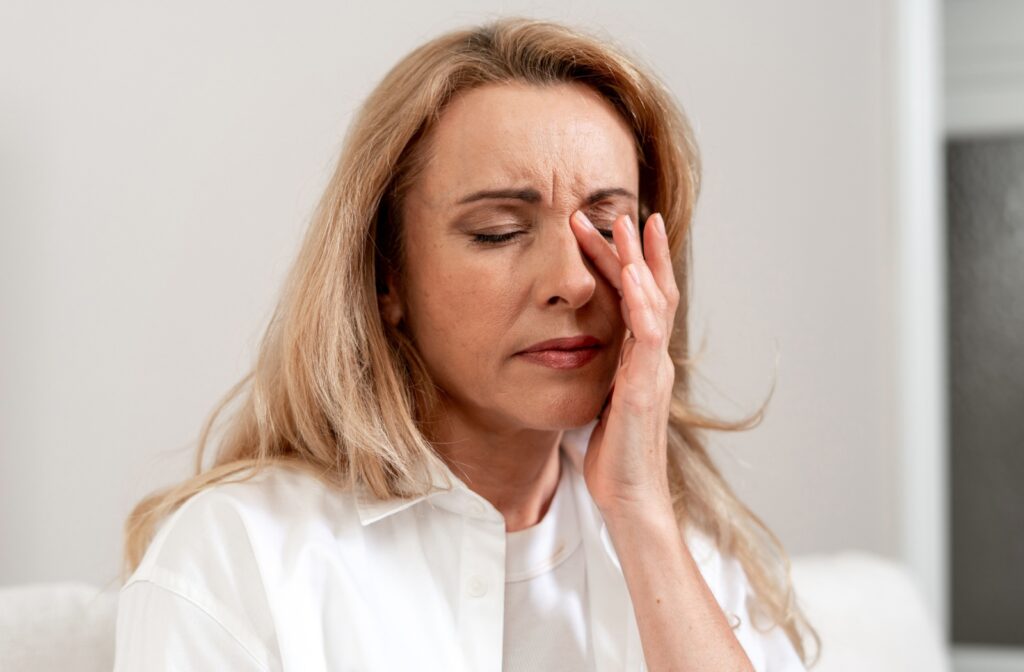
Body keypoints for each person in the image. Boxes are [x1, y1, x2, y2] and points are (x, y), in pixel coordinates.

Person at [113, 16, 820, 671]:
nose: (573, 284)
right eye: (498, 233)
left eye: (608, 229)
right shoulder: (236, 558)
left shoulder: (687, 544)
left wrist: (640, 512)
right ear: (387, 278)